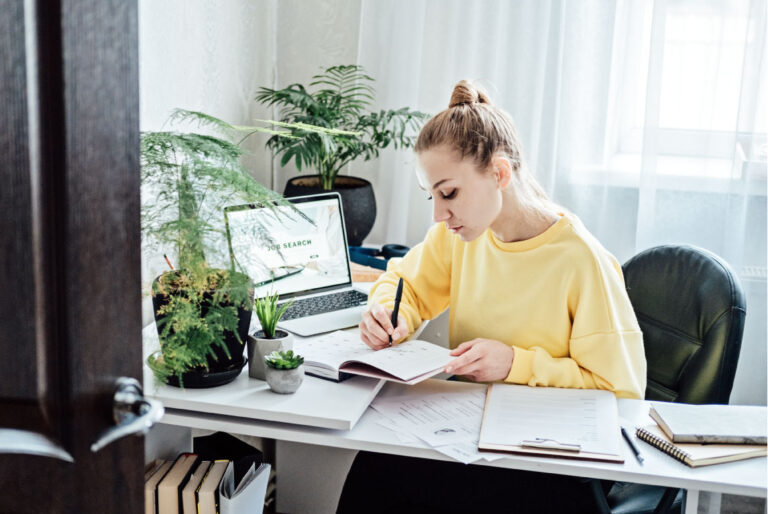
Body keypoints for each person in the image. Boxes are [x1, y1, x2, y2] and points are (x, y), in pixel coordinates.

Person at [336, 80, 647, 514]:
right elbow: (402, 282)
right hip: (471, 436)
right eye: (432, 196)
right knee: (375, 468)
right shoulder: (459, 236)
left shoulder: (581, 259)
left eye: (448, 193)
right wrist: (391, 313)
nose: (438, 214)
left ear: (500, 173)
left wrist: (515, 363)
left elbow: (620, 392)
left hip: (548, 458)